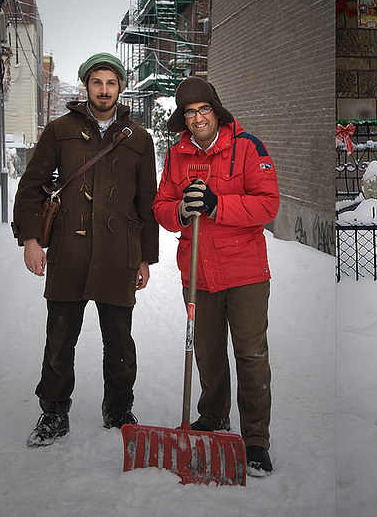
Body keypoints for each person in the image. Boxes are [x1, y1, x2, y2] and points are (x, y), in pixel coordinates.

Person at [11, 53, 158, 447]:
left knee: (120, 341)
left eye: (111, 82)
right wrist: (30, 240)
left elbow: (147, 203)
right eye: (97, 82)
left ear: (120, 87)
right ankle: (54, 413)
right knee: (59, 339)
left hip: (119, 253)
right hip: (67, 252)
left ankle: (118, 408)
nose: (104, 90)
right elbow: (31, 186)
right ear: (86, 86)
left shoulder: (140, 139)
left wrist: (145, 257)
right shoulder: (59, 130)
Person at [151, 77, 280, 476]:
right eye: (189, 113)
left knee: (250, 354)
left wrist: (215, 204)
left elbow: (268, 205)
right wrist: (179, 212)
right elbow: (161, 205)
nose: (196, 118)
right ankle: (212, 417)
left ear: (216, 111)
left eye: (203, 110)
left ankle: (255, 439)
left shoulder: (247, 147)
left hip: (244, 272)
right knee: (206, 350)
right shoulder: (176, 156)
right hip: (197, 272)